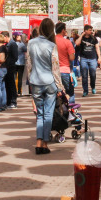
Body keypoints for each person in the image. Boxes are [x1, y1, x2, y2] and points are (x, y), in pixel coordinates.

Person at [26, 18, 62, 154]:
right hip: (49, 82)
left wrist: (30, 80)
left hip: (35, 81)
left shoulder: (31, 43)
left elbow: (29, 64)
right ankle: (44, 143)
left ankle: (39, 142)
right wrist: (60, 87)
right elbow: (55, 68)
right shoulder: (51, 45)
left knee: (40, 114)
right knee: (48, 114)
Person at [74, 24, 101, 96]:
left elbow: (97, 48)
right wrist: (82, 35)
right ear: (85, 31)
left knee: (93, 74)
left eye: (91, 30)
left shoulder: (93, 38)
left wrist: (99, 57)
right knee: (84, 75)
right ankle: (85, 90)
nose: (91, 32)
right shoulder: (82, 38)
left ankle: (93, 87)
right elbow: (77, 43)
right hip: (84, 59)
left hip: (93, 58)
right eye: (89, 30)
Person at [4, 31, 19, 109]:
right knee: (8, 84)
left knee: (11, 84)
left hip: (11, 67)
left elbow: (15, 57)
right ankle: (9, 101)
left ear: (6, 36)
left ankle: (13, 101)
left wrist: (10, 62)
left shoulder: (12, 44)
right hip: (7, 67)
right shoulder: (7, 44)